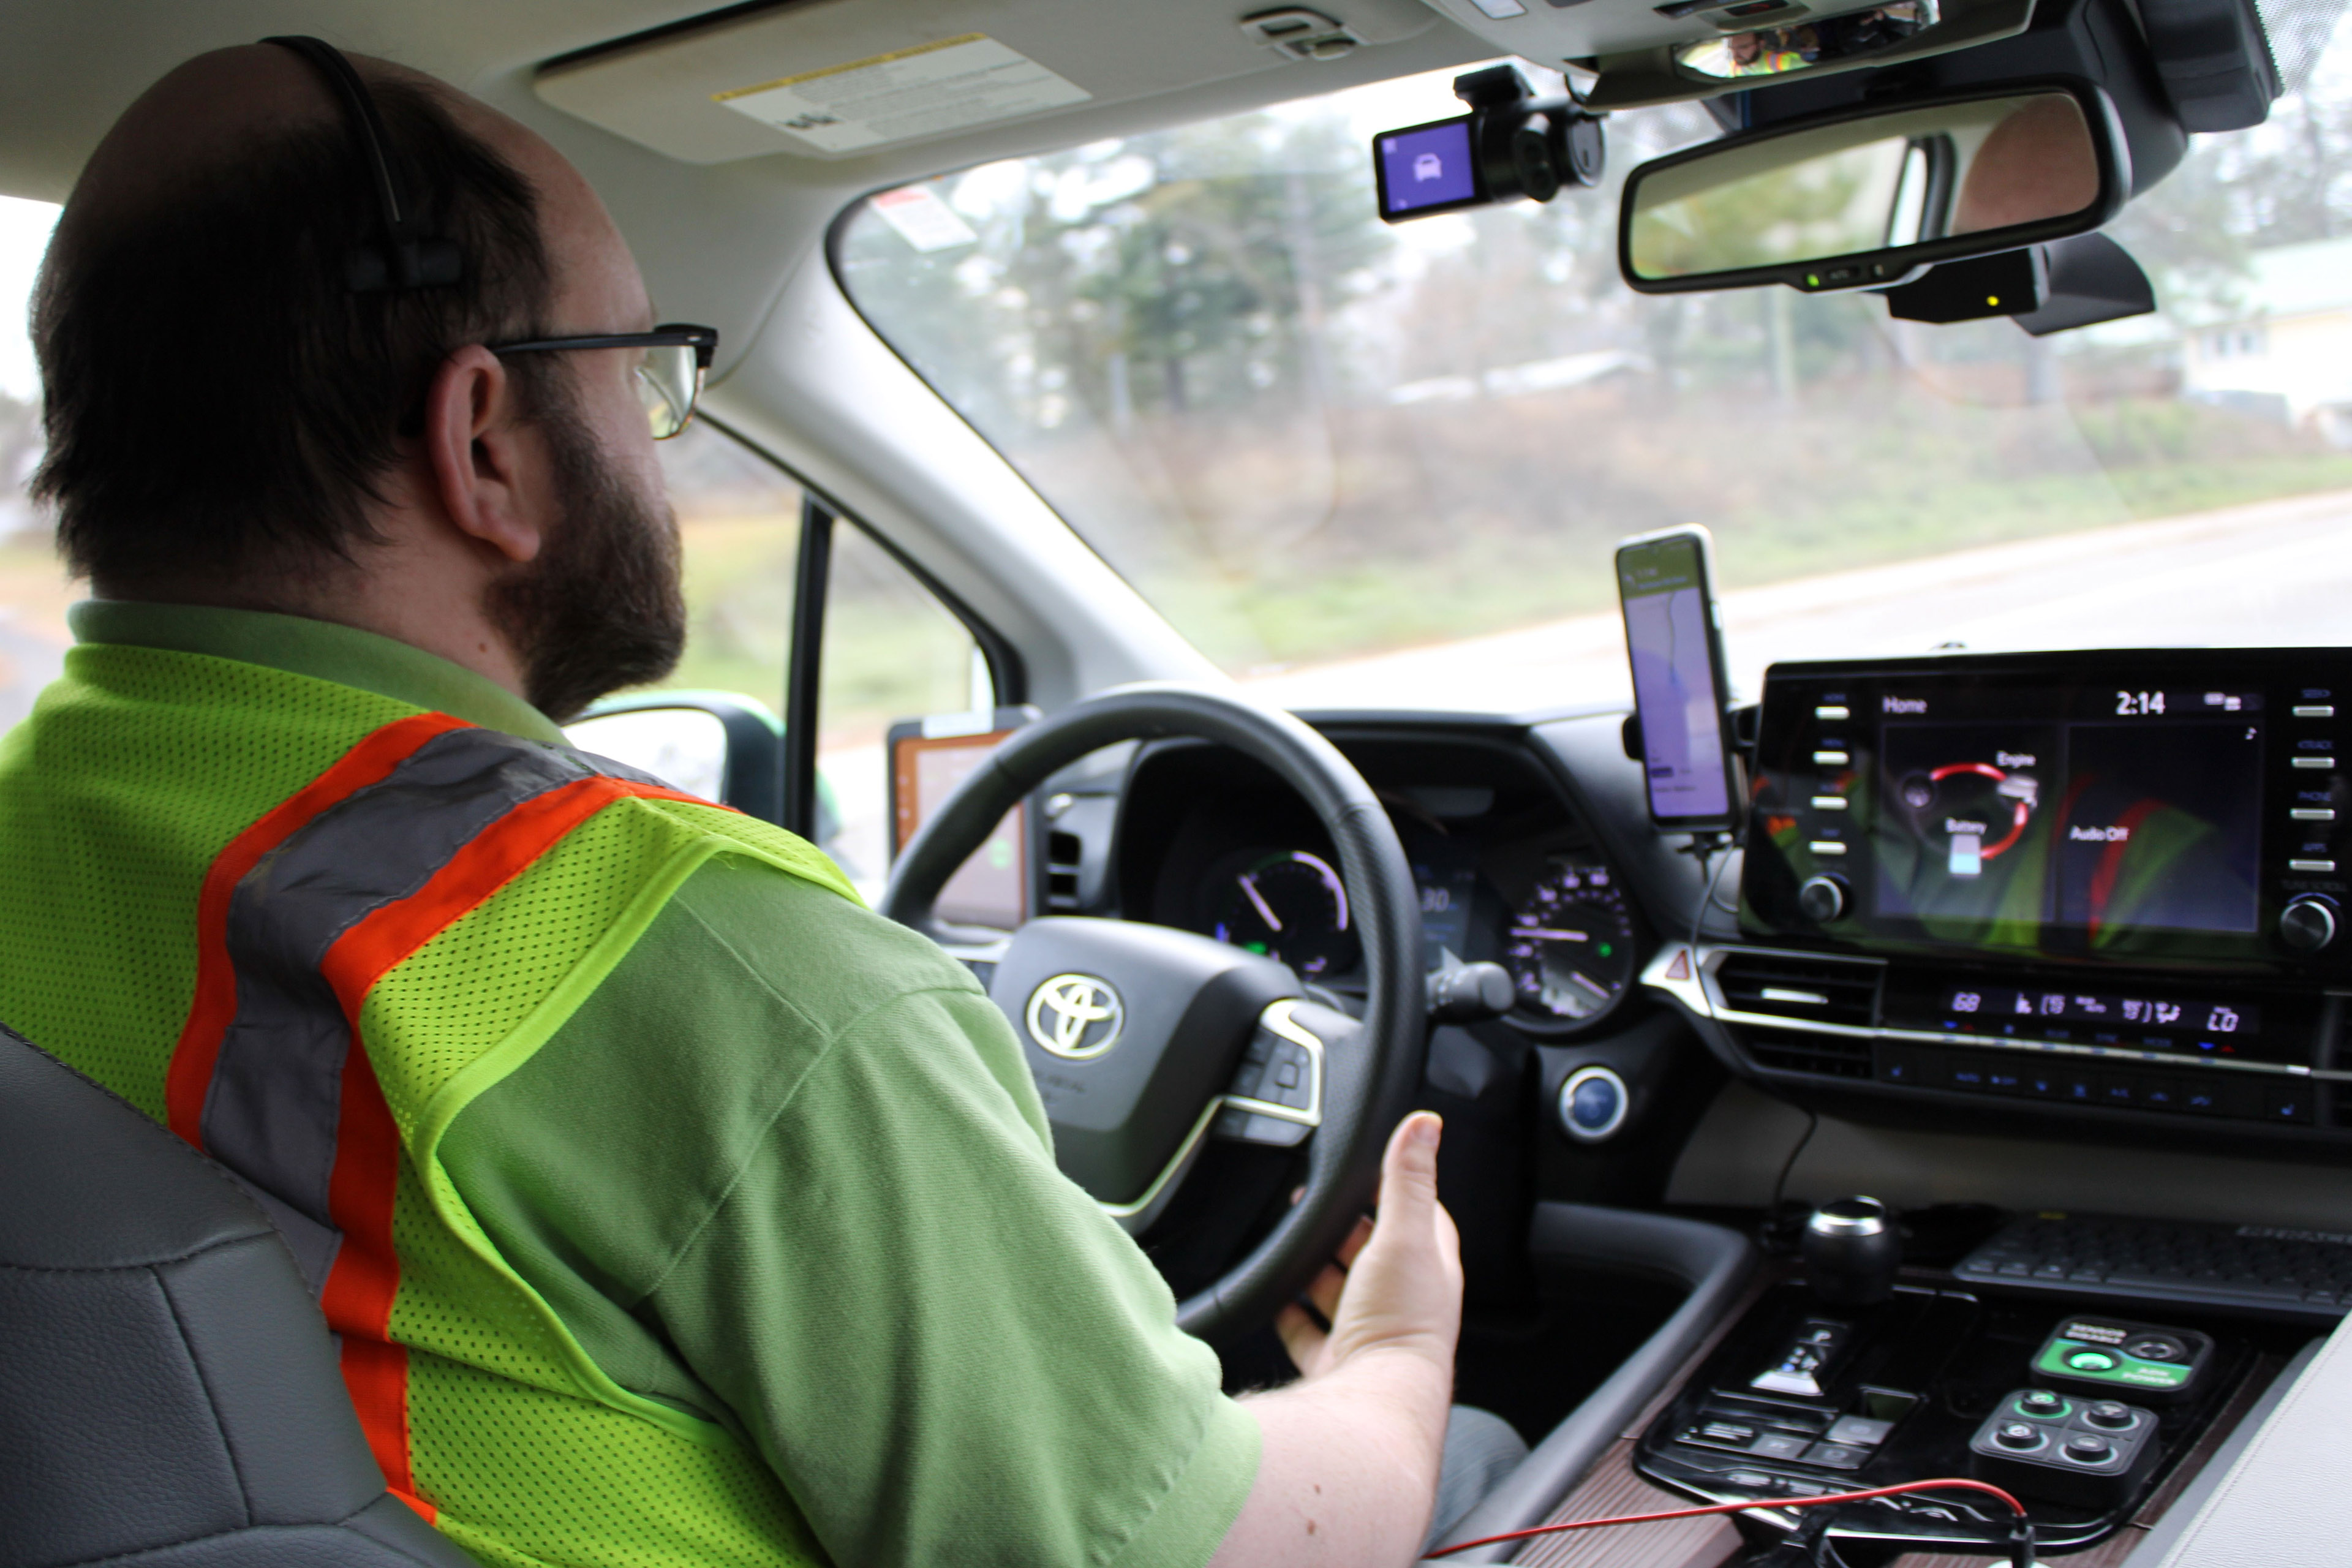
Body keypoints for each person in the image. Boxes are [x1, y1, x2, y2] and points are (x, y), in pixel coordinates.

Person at [7, 38, 1505, 1568]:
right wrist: (1394, 1347)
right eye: (641, 379)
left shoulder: (30, 826)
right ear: (482, 445)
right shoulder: (687, 956)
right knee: (1466, 1456)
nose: (667, 447)